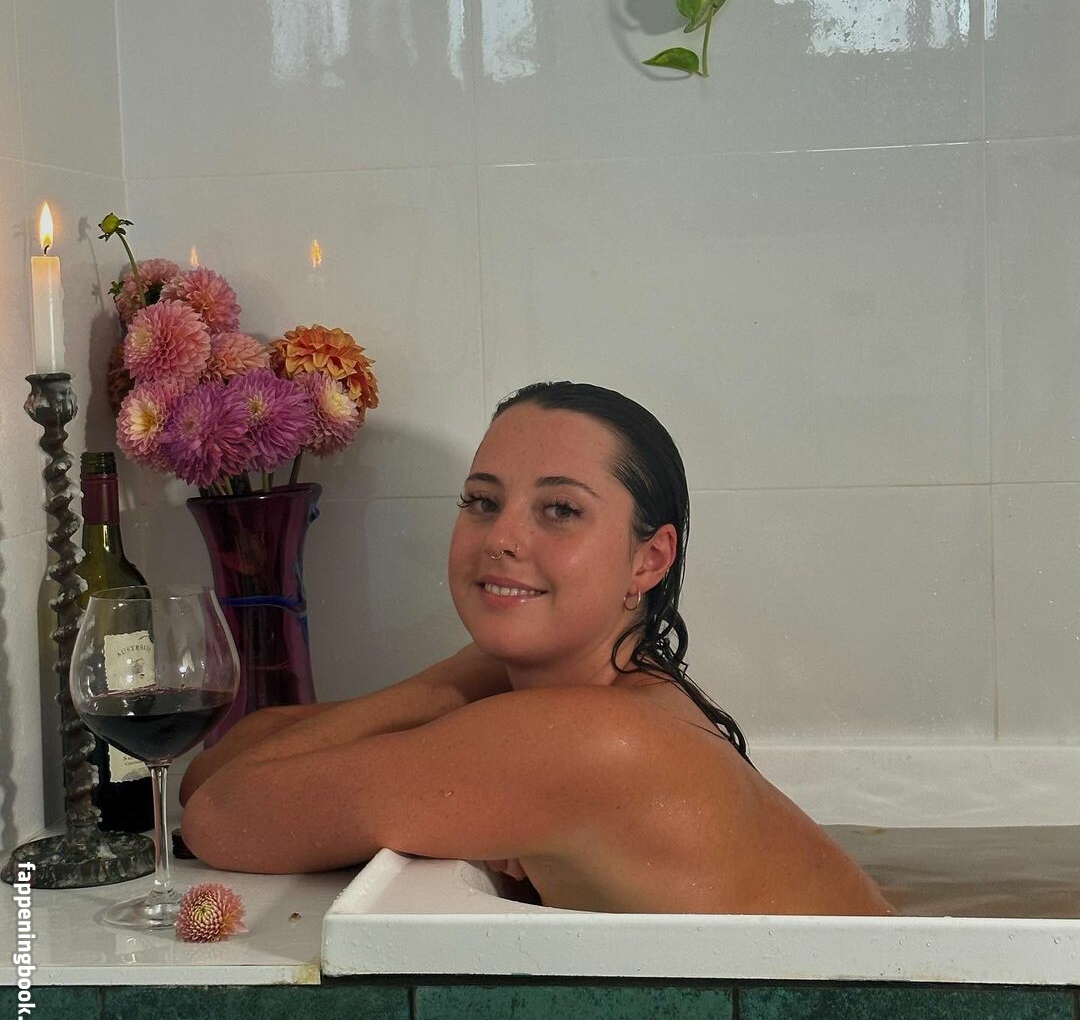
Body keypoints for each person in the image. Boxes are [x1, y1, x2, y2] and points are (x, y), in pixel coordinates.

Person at [180, 381, 895, 915]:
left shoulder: (587, 735)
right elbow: (212, 772)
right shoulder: (609, 695)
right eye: (482, 501)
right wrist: (465, 678)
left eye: (561, 509)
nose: (502, 538)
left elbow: (220, 817)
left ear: (648, 560)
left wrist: (452, 683)